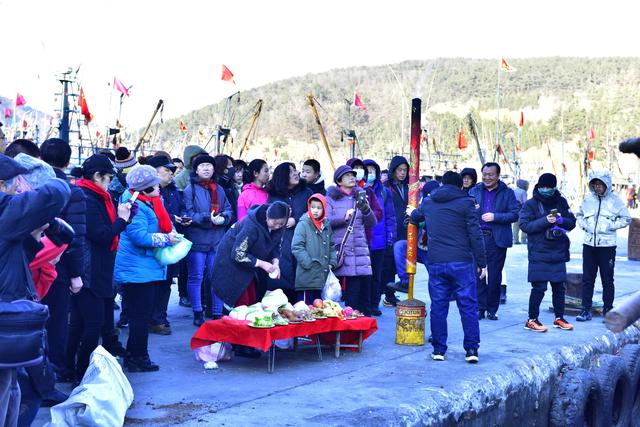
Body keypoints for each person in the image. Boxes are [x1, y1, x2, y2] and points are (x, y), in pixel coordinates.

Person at [0, 153, 70, 427]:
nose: (19, 189)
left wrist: (32, 237)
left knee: (17, 386)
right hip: (5, 312)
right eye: (15, 183)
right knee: (6, 386)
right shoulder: (5, 210)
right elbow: (57, 191)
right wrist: (43, 175)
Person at [65, 154, 131, 381]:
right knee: (92, 325)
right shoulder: (87, 198)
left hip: (98, 270)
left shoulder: (98, 196)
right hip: (89, 271)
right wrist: (122, 221)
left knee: (81, 323)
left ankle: (67, 368)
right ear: (97, 176)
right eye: (108, 177)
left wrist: (125, 217)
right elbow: (101, 235)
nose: (110, 182)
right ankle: (81, 372)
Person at [409, 171, 486, 363]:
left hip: (436, 262)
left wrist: (412, 212)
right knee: (468, 306)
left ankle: (438, 350)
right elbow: (475, 234)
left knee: (438, 306)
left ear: (442, 184)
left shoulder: (428, 202)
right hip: (462, 262)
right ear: (461, 186)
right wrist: (482, 262)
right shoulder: (467, 203)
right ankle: (471, 350)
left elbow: (415, 216)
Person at [114, 165, 180, 372]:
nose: (159, 189)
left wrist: (172, 234)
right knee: (140, 317)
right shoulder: (134, 205)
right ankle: (137, 358)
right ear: (143, 189)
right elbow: (139, 236)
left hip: (146, 266)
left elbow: (164, 223)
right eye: (154, 186)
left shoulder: (150, 201)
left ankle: (137, 355)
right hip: (137, 269)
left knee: (141, 315)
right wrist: (166, 239)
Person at [39, 139, 87, 372]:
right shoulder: (71, 191)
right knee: (56, 321)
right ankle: (52, 374)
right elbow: (75, 238)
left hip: (29, 263)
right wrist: (76, 274)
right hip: (58, 266)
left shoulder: (29, 184)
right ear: (68, 162)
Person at [519, 173, 576, 332]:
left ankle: (559, 318)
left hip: (558, 250)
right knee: (539, 287)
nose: (546, 190)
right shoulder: (530, 204)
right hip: (539, 251)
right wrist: (546, 221)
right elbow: (525, 226)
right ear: (538, 186)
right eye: (543, 187)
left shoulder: (561, 201)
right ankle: (532, 320)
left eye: (549, 187)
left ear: (555, 187)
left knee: (559, 287)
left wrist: (561, 221)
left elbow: (572, 222)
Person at [183, 155, 233, 326]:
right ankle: (197, 311)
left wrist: (224, 218)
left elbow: (228, 209)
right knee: (196, 276)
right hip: (197, 240)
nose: (206, 168)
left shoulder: (219, 189)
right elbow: (186, 214)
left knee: (216, 277)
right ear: (196, 170)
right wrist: (207, 218)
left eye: (209, 166)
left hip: (217, 240)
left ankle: (218, 312)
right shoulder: (190, 189)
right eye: (202, 166)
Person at [575, 171, 632, 321]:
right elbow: (579, 215)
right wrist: (585, 226)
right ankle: (585, 310)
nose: (597, 187)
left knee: (607, 279)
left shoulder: (615, 201)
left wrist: (610, 226)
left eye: (600, 185)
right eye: (595, 185)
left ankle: (608, 310)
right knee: (588, 279)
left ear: (606, 185)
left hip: (607, 247)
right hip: (589, 245)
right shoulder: (588, 200)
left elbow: (626, 218)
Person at [469, 162, 519, 320]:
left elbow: (514, 214)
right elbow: (466, 212)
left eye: (490, 175)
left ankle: (492, 308)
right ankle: (480, 308)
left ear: (498, 175)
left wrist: (495, 216)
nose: (487, 177)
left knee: (495, 276)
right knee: (478, 275)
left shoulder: (507, 193)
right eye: (484, 174)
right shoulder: (474, 191)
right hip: (477, 238)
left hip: (497, 238)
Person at [326, 165, 377, 315]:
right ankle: (350, 333)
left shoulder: (360, 196)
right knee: (352, 297)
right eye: (347, 175)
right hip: (344, 252)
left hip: (361, 252)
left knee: (365, 298)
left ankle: (364, 332)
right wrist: (343, 218)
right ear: (339, 180)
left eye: (353, 175)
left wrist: (366, 209)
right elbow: (326, 221)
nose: (352, 177)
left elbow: (372, 223)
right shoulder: (330, 198)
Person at [147, 155, 184, 334]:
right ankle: (151, 319)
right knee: (153, 283)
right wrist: (170, 218)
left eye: (172, 171)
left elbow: (179, 208)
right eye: (167, 170)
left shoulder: (172, 191)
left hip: (169, 244)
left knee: (166, 282)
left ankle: (160, 317)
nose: (171, 174)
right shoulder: (146, 193)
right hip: (154, 244)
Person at [266, 162, 313, 300]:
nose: (296, 173)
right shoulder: (273, 195)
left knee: (301, 283)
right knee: (281, 283)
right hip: (281, 242)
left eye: (295, 170)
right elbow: (270, 218)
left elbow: (314, 213)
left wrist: (296, 219)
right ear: (282, 176)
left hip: (304, 241)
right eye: (291, 171)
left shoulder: (307, 192)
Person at [363, 159, 398, 312]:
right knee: (364, 276)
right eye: (367, 170)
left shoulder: (384, 191)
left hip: (379, 240)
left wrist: (391, 234)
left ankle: (374, 304)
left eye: (372, 171)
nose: (370, 174)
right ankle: (364, 304)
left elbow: (390, 215)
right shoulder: (357, 189)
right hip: (362, 239)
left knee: (377, 274)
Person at [291, 194, 337, 303]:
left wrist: (332, 262)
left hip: (322, 277)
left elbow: (331, 245)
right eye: (313, 207)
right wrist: (308, 263)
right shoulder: (303, 224)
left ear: (324, 209)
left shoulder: (326, 225)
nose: (315, 210)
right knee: (306, 310)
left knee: (319, 310)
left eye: (319, 208)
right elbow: (296, 246)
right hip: (307, 277)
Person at [385, 156, 410, 294]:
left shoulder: (409, 187)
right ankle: (389, 294)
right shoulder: (386, 186)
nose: (402, 173)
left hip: (406, 229)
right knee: (389, 264)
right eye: (400, 170)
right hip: (391, 229)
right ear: (393, 171)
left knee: (399, 260)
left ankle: (397, 289)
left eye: (405, 170)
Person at [214, 154, 239, 227]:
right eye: (229, 165)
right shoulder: (217, 186)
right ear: (222, 168)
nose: (232, 168)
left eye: (232, 165)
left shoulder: (231, 184)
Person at [513, 178, 529, 244]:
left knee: (515, 226)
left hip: (514, 210)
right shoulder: (523, 191)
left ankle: (515, 240)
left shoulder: (514, 190)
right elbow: (525, 202)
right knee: (524, 224)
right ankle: (523, 240)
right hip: (521, 210)